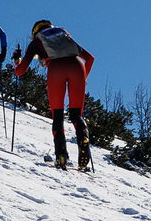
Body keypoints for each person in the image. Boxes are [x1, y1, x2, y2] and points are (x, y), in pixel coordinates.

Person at [12, 19, 96, 170]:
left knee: (57, 115)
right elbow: (90, 58)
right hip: (77, 66)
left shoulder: (37, 42)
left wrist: (16, 62)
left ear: (35, 33)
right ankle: (83, 138)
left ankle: (61, 156)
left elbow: (21, 71)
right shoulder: (64, 36)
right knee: (76, 115)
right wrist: (83, 79)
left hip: (56, 69)